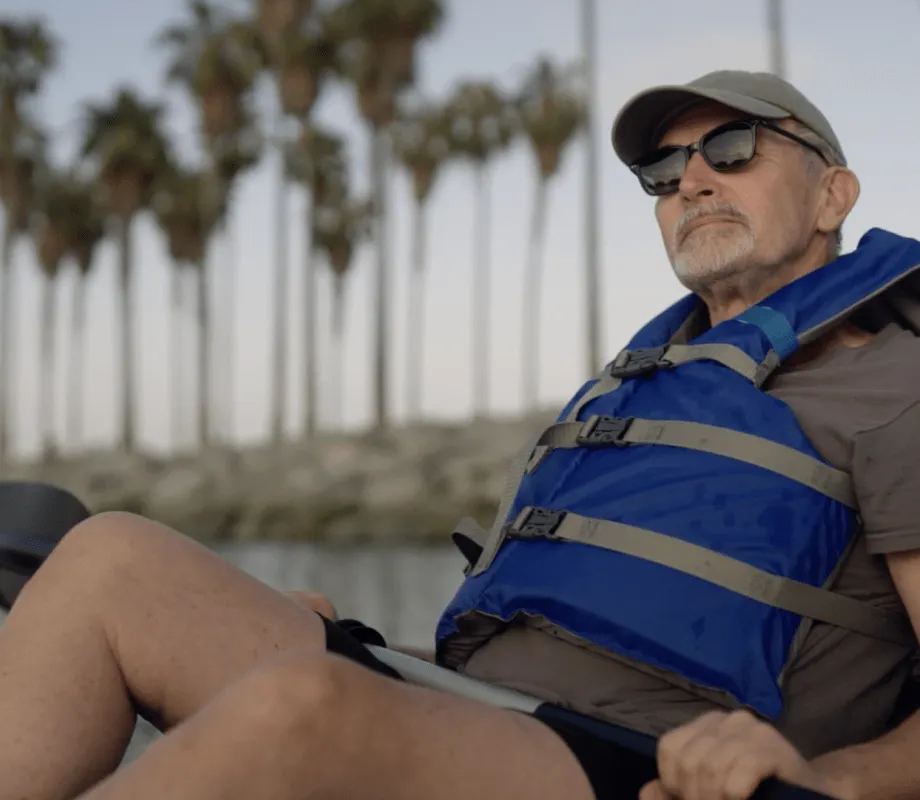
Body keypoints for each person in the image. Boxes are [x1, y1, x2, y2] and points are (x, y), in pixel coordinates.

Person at [3, 69, 920, 800]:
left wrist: (831, 777)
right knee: (111, 560)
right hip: (479, 708)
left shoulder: (893, 387)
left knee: (302, 708)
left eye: (732, 146)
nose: (692, 178)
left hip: (645, 765)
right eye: (665, 170)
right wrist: (385, 653)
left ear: (832, 193)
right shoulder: (645, 385)